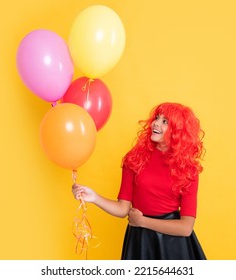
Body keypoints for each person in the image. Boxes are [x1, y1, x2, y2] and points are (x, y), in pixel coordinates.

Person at [72, 102, 206, 260]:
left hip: (173, 244)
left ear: (177, 131)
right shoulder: (135, 159)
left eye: (165, 121)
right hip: (140, 240)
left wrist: (142, 221)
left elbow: (185, 228)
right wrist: (94, 197)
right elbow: (122, 209)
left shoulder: (188, 169)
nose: (156, 123)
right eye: (157, 118)